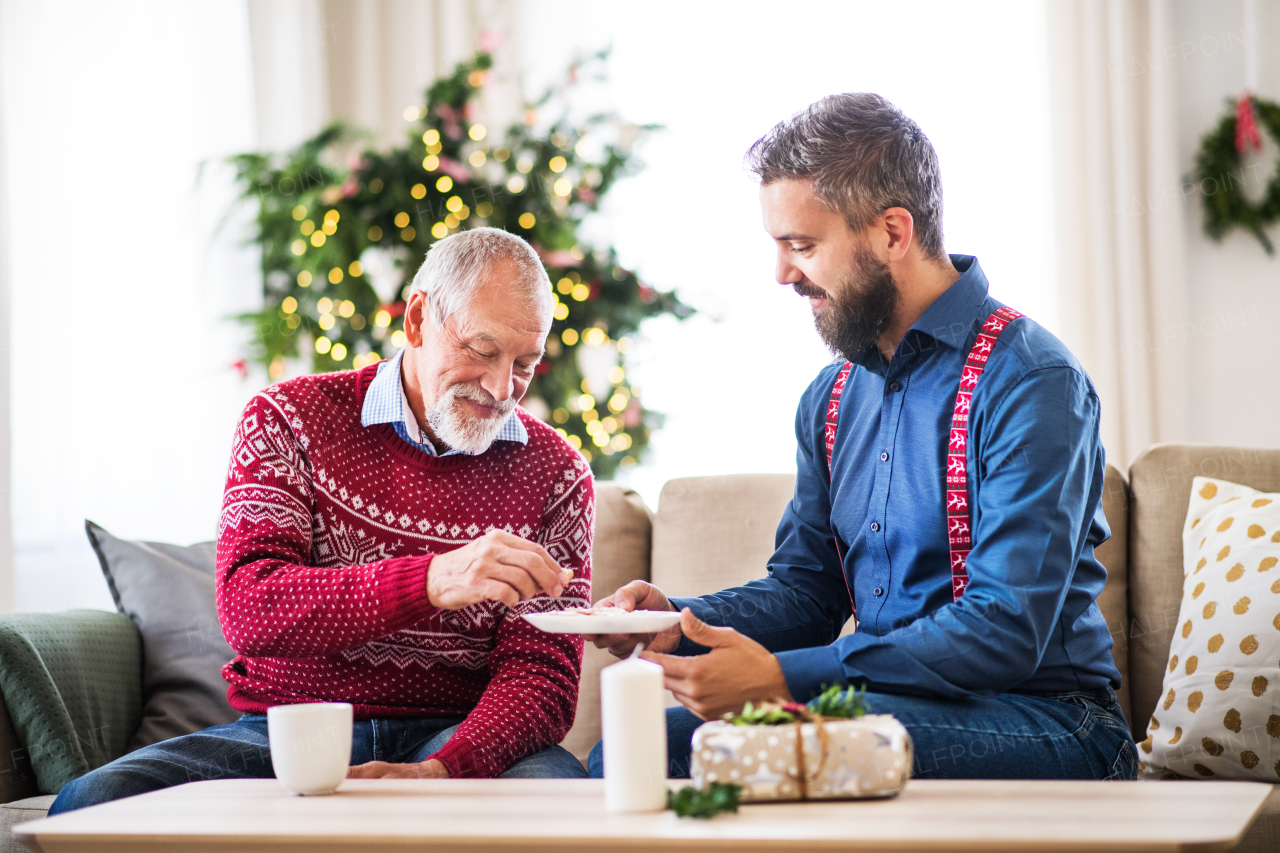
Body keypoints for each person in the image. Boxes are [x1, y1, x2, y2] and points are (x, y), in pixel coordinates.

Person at [587, 94, 1136, 781]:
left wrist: (776, 679)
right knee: (633, 749)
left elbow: (1004, 626)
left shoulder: (1032, 380)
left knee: (750, 753)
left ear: (892, 234)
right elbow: (809, 593)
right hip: (881, 703)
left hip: (1047, 718)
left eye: (803, 246)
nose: (783, 274)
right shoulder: (830, 397)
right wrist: (678, 621)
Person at [52, 228, 594, 814]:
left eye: (524, 364)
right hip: (286, 729)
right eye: (483, 351)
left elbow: (543, 676)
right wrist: (431, 581)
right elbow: (250, 607)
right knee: (93, 800)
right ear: (417, 320)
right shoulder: (287, 419)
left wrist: (447, 769)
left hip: (458, 732)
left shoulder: (558, 474)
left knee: (562, 804)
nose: (499, 388)